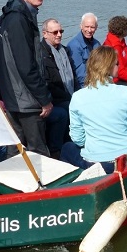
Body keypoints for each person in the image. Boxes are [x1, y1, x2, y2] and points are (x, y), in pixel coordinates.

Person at [0, 0, 53, 157]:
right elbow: (26, 65)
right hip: (25, 98)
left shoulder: (18, 13)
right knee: (37, 151)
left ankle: (15, 185)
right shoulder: (18, 18)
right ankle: (42, 186)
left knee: (16, 148)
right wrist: (44, 99)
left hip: (15, 95)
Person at [61, 46, 127, 173]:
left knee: (67, 148)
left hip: (97, 162)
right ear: (110, 67)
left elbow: (78, 139)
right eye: (117, 64)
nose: (119, 67)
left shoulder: (77, 97)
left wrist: (95, 142)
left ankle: (74, 184)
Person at [40, 18, 78, 158]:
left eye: (61, 31)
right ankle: (57, 149)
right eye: (55, 32)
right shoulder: (41, 54)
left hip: (68, 93)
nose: (59, 35)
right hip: (53, 98)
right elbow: (48, 83)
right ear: (45, 33)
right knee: (68, 108)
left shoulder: (65, 51)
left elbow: (73, 76)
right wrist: (70, 97)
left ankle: (76, 143)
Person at [102, 15, 127, 91]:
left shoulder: (121, 41)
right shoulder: (115, 45)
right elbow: (120, 72)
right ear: (124, 31)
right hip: (117, 80)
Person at [68, 13, 101, 88]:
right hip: (83, 86)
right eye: (87, 27)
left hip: (97, 81)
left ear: (96, 27)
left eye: (92, 27)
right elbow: (80, 75)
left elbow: (102, 66)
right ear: (81, 26)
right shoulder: (74, 46)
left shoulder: (97, 44)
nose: (89, 30)